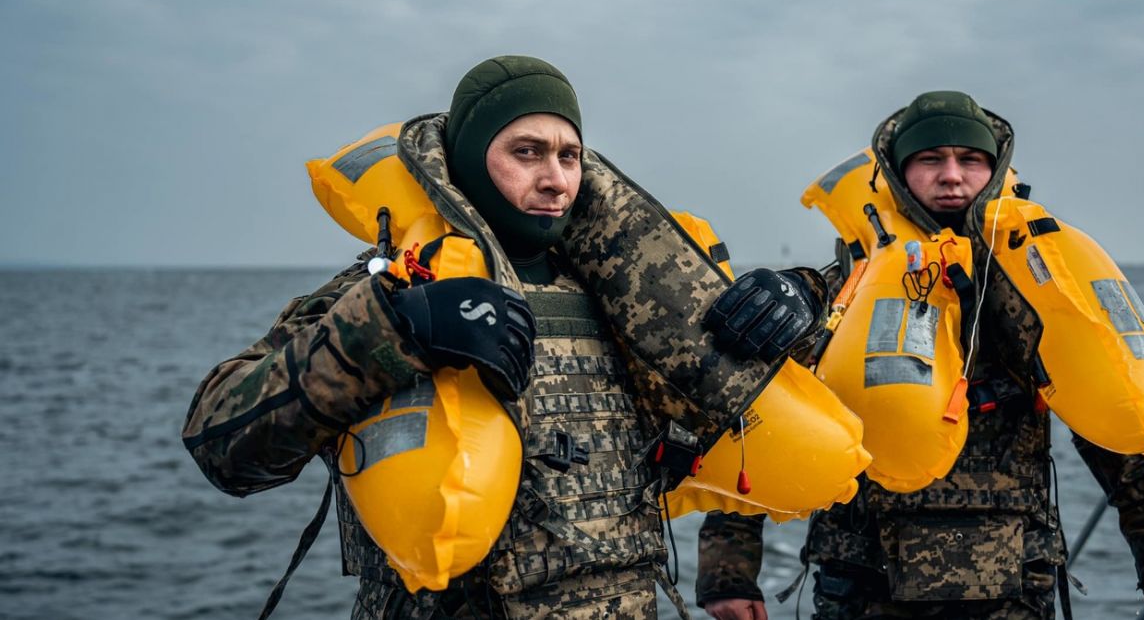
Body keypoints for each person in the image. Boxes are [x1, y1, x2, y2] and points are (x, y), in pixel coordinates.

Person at [181, 55, 825, 619]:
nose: (555, 180)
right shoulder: (395, 290)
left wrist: (798, 294)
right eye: (526, 152)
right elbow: (220, 441)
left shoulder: (628, 303)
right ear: (467, 161)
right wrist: (394, 328)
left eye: (569, 156)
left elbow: (799, 378)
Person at [695, 91, 1144, 620]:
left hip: (1011, 585)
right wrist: (728, 573)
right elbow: (761, 421)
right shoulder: (842, 291)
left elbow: (1112, 421)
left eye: (970, 160)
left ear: (995, 168)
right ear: (897, 173)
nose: (952, 176)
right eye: (930, 160)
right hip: (865, 585)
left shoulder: (1039, 289)